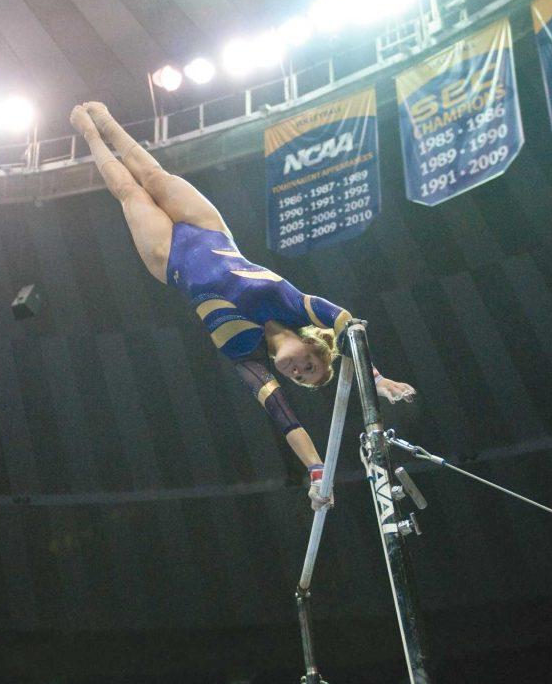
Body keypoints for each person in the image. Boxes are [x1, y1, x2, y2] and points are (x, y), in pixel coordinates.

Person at [70, 102, 416, 510]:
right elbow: (344, 321)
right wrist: (374, 379)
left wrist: (317, 470)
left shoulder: (245, 357)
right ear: (313, 346)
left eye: (300, 379)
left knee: (129, 192)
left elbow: (285, 419)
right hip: (209, 229)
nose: (297, 372)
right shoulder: (292, 306)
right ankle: (107, 120)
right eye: (310, 366)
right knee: (152, 175)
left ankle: (89, 134)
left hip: (169, 260)